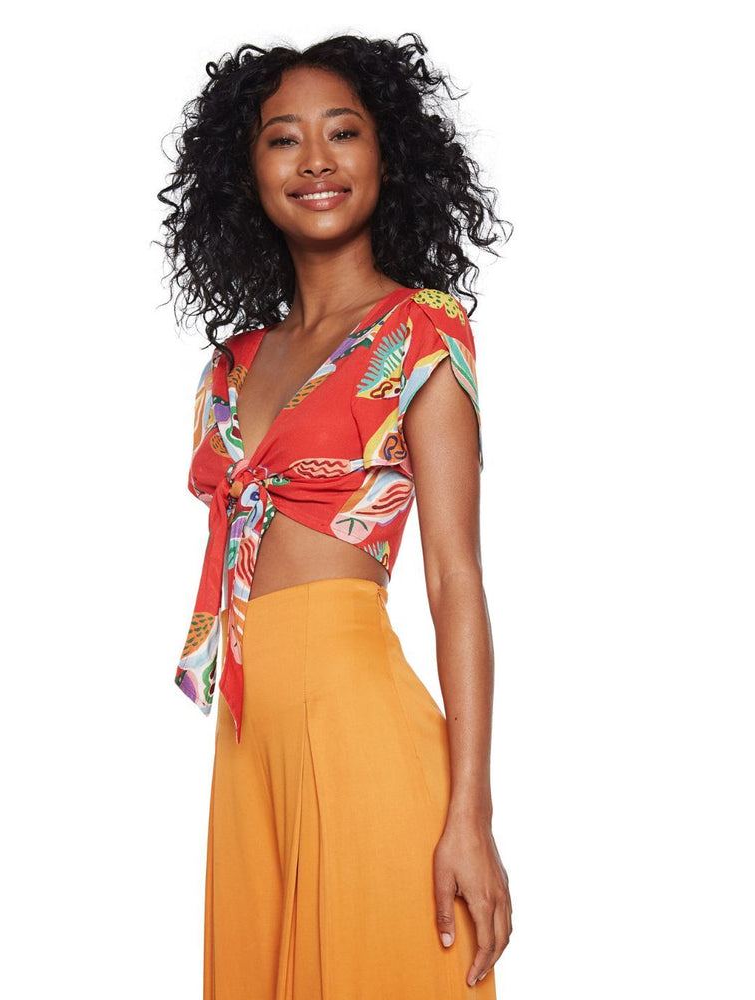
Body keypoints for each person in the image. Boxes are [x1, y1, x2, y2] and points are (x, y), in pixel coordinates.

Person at [158, 31, 514, 998]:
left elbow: (455, 577)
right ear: (246, 174)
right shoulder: (231, 365)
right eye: (283, 139)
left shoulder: (422, 331)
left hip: (360, 727)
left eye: (343, 132)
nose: (315, 160)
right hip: (247, 742)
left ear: (388, 156)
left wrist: (471, 815)